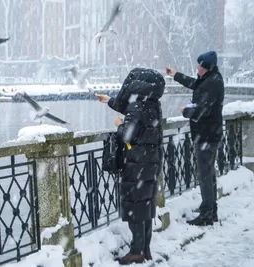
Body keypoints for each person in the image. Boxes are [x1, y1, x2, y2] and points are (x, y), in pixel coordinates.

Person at [96, 68, 165, 265]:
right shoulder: (152, 103)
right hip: (151, 161)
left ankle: (136, 252)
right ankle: (145, 249)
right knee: (146, 205)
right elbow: (138, 118)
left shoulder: (137, 106)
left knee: (136, 206)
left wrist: (119, 124)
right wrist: (110, 100)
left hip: (136, 163)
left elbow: (128, 135)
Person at [166, 50, 224, 226]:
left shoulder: (213, 83)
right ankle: (210, 208)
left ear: (205, 67)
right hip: (208, 134)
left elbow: (202, 111)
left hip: (206, 135)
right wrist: (176, 75)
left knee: (205, 175)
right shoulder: (210, 79)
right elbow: (194, 84)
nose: (196, 66)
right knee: (209, 173)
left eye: (199, 64)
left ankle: (207, 214)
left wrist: (186, 111)